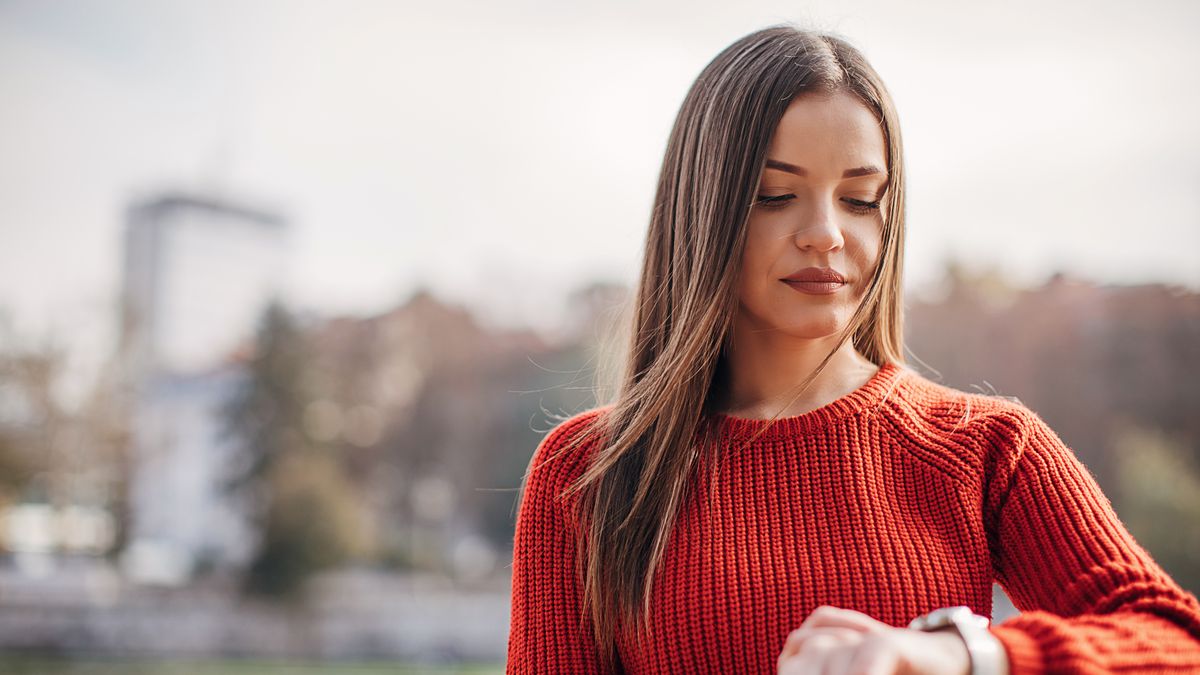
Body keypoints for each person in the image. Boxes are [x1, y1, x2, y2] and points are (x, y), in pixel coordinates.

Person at [505, 25, 1200, 675]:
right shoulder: (587, 475)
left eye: (862, 200)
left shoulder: (986, 448)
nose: (826, 233)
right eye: (776, 195)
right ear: (704, 209)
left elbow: (1175, 639)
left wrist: (963, 656)